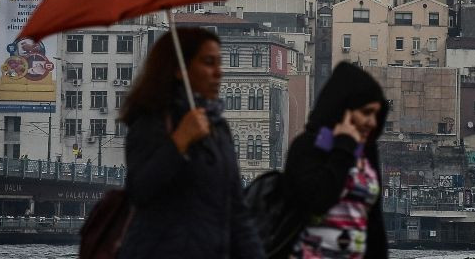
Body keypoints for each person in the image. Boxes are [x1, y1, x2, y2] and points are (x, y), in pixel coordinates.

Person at [117, 27, 263, 259]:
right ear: (179, 69)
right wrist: (179, 142)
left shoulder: (217, 128)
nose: (219, 72)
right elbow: (140, 190)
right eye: (208, 62)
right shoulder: (151, 121)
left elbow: (237, 211)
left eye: (219, 62)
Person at [284, 62, 388, 259]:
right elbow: (316, 201)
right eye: (366, 112)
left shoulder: (367, 153)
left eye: (376, 114)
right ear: (344, 109)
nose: (372, 122)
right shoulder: (307, 147)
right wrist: (343, 148)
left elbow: (374, 226)